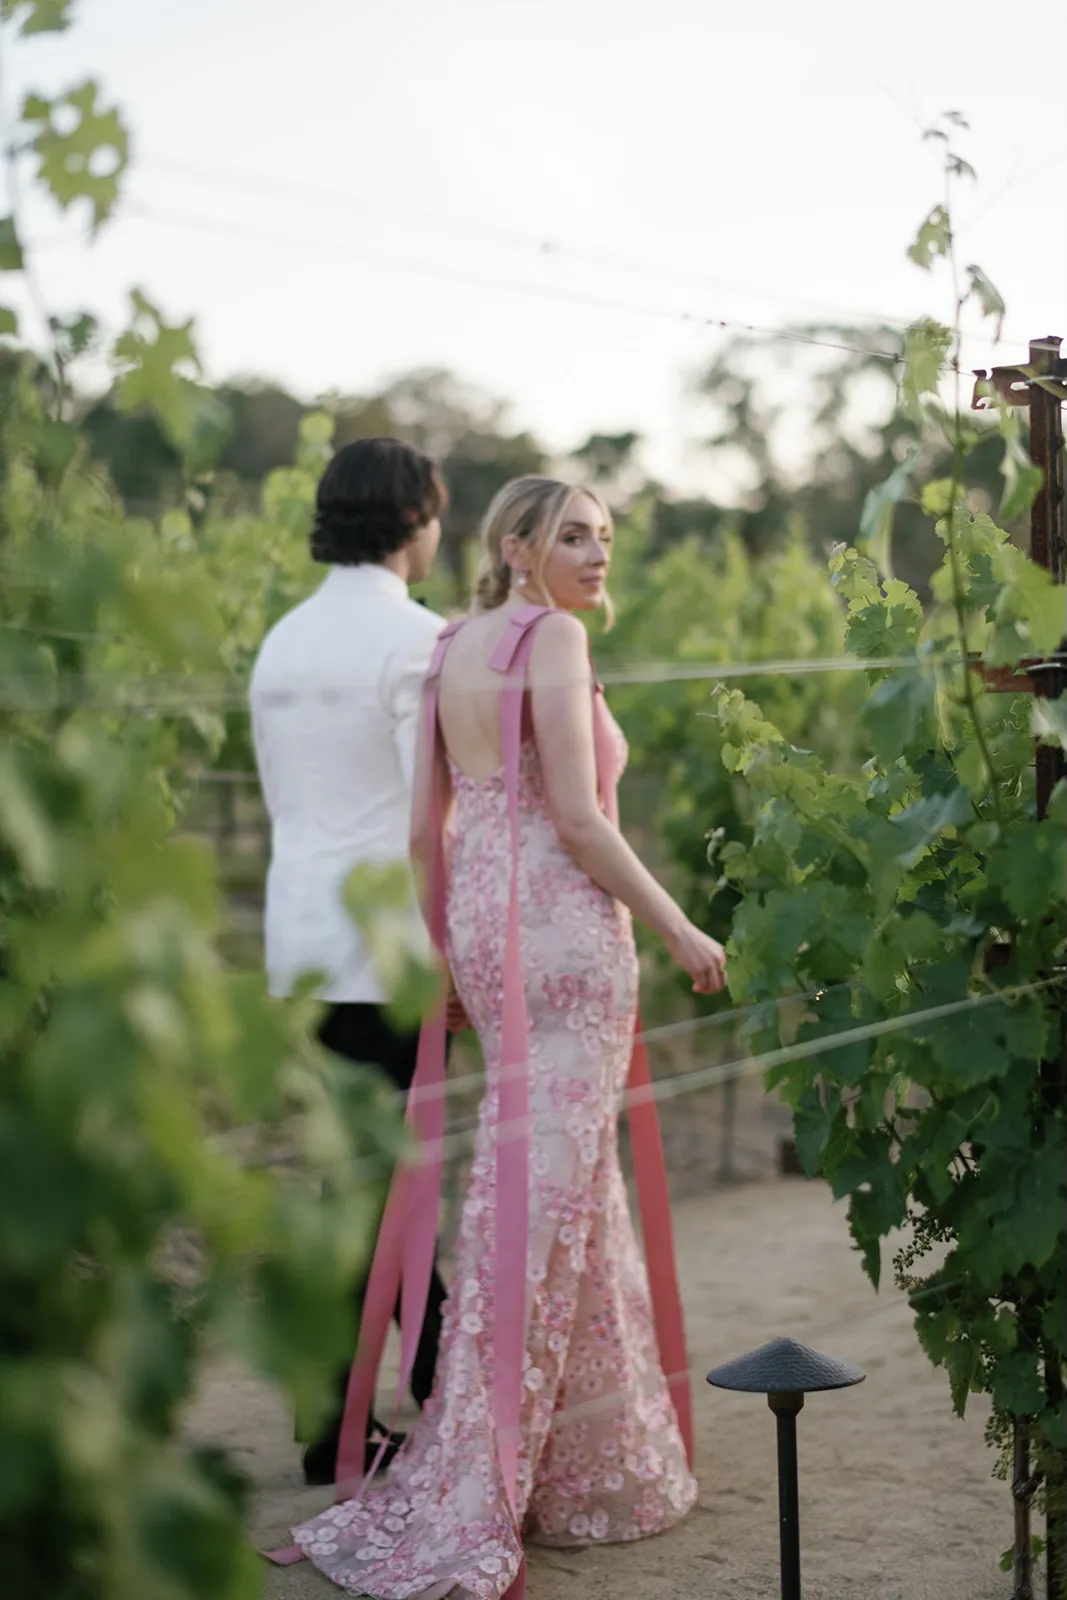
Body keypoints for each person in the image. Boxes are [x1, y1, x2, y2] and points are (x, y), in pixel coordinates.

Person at [290, 476, 726, 1598]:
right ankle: (494, 1475)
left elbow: (425, 826)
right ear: (519, 543)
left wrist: (443, 955)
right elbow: (578, 818)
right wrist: (674, 922)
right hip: (565, 936)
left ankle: (590, 1463)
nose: (595, 556)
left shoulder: (450, 647)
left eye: (606, 538)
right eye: (573, 535)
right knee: (547, 1199)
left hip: (490, 926)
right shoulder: (553, 640)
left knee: (551, 1190)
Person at [249, 436, 452, 1486]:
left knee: (345, 1185)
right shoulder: (419, 641)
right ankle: (365, 1420)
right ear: (412, 519)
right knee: (389, 1190)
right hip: (388, 948)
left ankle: (368, 1399)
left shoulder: (281, 639)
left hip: (298, 942)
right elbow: (431, 820)